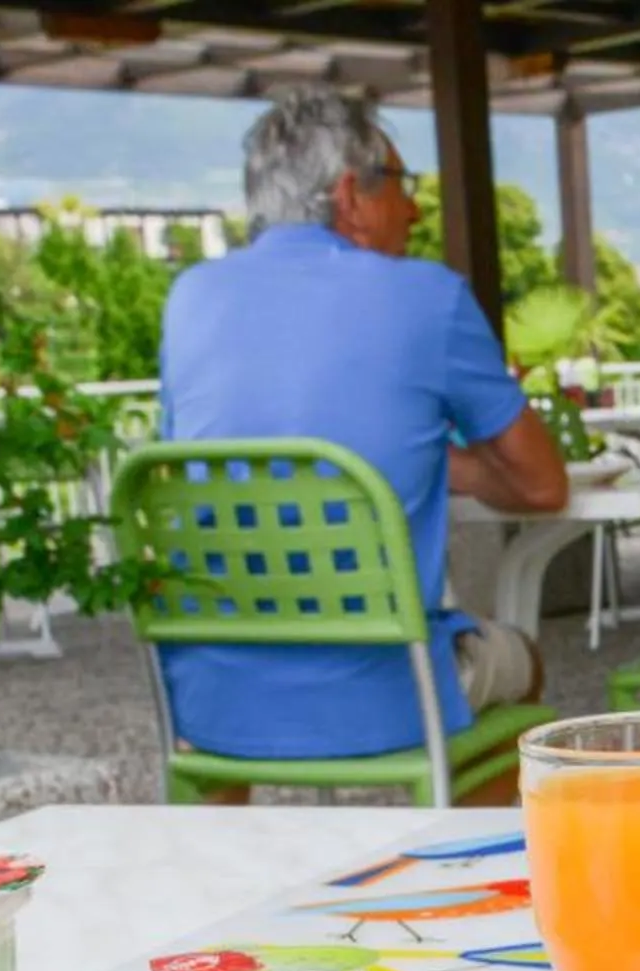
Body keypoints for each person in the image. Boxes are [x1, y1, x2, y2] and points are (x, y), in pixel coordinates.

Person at [157, 91, 566, 790]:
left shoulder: (189, 298)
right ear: (350, 195)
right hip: (386, 699)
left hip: (209, 703)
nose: (413, 209)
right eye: (402, 185)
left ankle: (214, 844)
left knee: (243, 662)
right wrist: (448, 462)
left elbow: (199, 471)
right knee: (523, 663)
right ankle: (461, 854)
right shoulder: (429, 296)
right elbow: (543, 486)